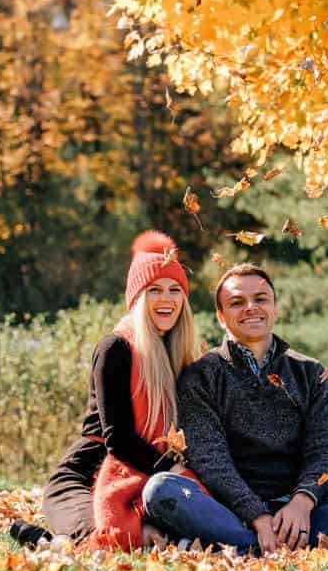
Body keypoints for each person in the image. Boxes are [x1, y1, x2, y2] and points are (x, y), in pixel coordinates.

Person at [142, 263, 328, 554]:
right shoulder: (201, 376)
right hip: (228, 509)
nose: (250, 307)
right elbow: (210, 458)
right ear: (221, 317)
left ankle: (235, 548)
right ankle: (284, 545)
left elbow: (326, 452)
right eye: (236, 302)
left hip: (298, 511)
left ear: (275, 308)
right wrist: (257, 516)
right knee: (160, 491)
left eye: (260, 299)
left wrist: (302, 502)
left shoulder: (310, 373)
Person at [31, 230, 207, 550]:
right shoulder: (115, 348)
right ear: (138, 298)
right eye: (154, 290)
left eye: (174, 290)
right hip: (88, 470)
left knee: (168, 532)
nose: (166, 299)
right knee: (103, 542)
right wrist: (174, 470)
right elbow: (119, 438)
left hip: (145, 472)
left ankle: (48, 541)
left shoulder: (181, 357)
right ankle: (39, 539)